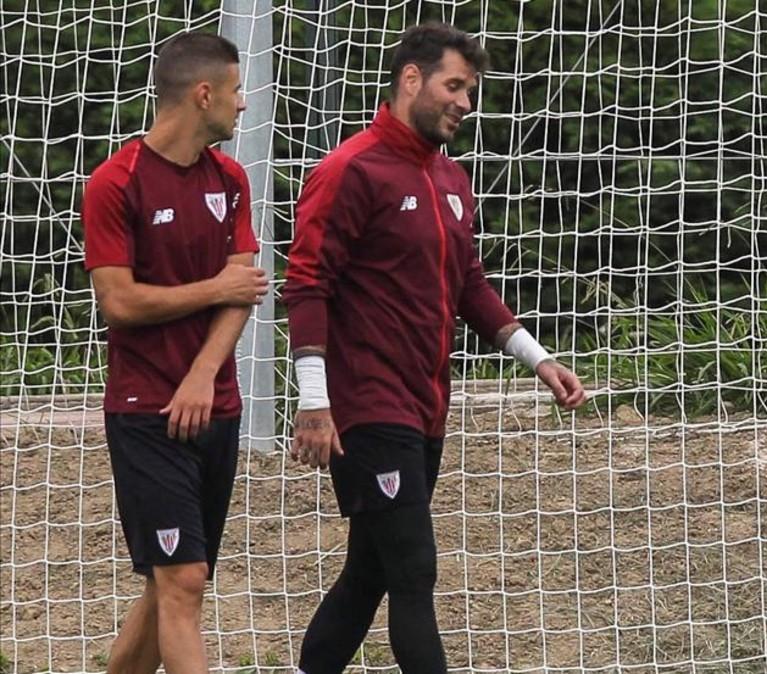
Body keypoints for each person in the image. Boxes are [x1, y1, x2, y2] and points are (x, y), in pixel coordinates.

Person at [281, 22, 587, 673]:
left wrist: (539, 359)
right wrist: (315, 401)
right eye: (455, 86)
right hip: (366, 409)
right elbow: (306, 283)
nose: (465, 103)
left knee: (370, 573)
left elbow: (469, 287)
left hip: (425, 407)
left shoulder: (451, 177)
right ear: (411, 79)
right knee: (415, 570)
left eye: (471, 91)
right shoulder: (349, 170)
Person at [82, 31, 267, 674]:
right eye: (238, 90)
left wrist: (203, 372)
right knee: (183, 581)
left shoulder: (232, 178)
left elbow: (242, 290)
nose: (243, 105)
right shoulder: (114, 182)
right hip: (144, 413)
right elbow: (122, 303)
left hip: (214, 403)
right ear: (204, 94)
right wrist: (214, 287)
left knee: (172, 582)